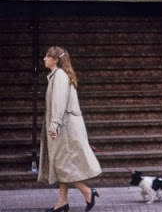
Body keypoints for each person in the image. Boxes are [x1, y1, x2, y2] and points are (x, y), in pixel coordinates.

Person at [38, 46, 101, 212]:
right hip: (66, 127)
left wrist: (54, 125)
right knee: (62, 164)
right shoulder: (58, 76)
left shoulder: (59, 76)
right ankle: (62, 201)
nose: (44, 58)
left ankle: (88, 192)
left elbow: (59, 103)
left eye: (47, 56)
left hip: (64, 129)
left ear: (55, 60)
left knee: (63, 166)